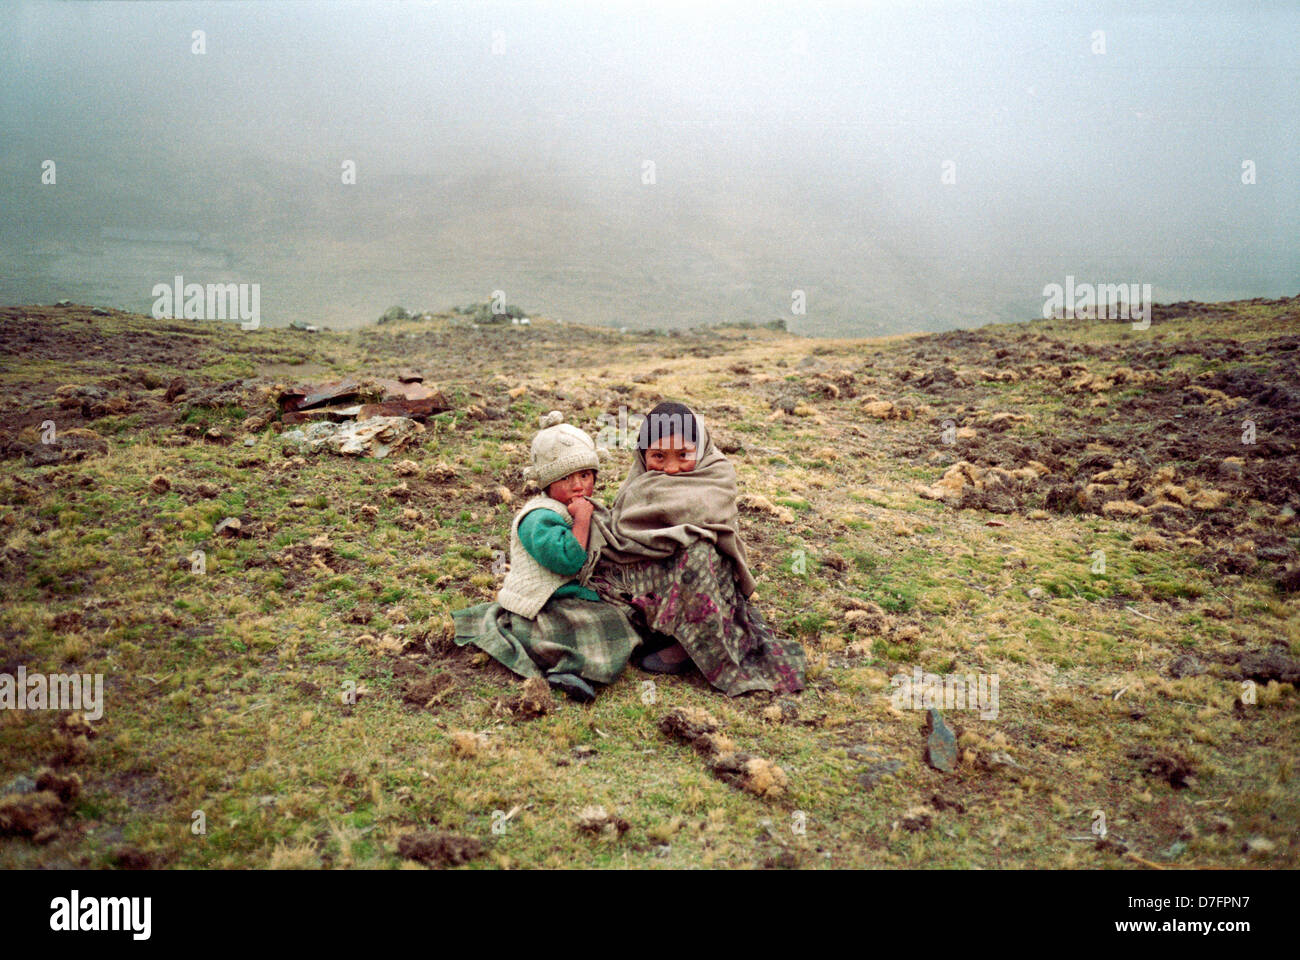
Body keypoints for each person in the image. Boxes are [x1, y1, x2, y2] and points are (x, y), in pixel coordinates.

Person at [589, 402, 806, 696]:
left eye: (683, 455)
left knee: (699, 550)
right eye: (658, 456)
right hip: (651, 569)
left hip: (704, 574)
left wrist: (682, 536)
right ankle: (652, 630)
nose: (671, 468)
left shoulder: (716, 476)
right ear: (642, 454)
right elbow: (623, 532)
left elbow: (715, 528)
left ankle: (689, 645)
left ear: (700, 448)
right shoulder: (639, 482)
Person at [451, 423, 639, 702]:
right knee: (602, 625)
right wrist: (582, 520)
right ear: (548, 482)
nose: (578, 485)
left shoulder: (572, 506)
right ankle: (567, 669)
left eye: (585, 475)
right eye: (566, 479)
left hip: (564, 594)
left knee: (620, 615)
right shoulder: (539, 518)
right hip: (540, 604)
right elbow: (568, 561)